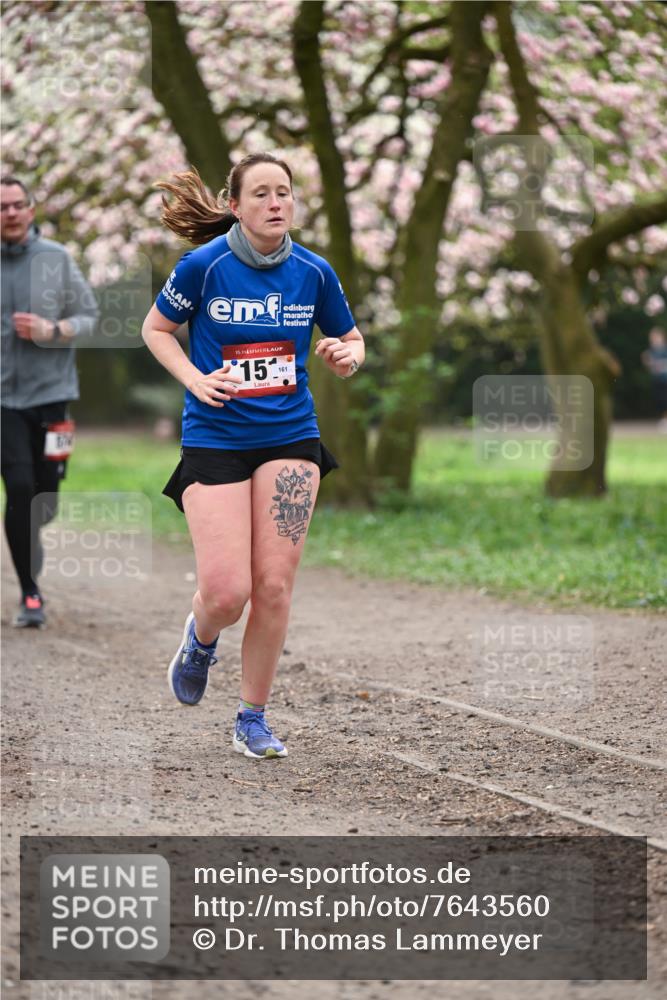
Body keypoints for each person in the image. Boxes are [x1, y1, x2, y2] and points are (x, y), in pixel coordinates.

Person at [142, 154, 365, 760]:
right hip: (216, 437)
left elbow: (350, 339)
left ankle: (252, 718)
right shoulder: (203, 266)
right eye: (261, 193)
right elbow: (156, 330)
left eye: (283, 192)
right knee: (226, 593)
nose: (275, 203)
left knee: (273, 585)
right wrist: (194, 379)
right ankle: (200, 638)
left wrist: (347, 356)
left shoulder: (314, 271)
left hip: (290, 436)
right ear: (235, 205)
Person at [1, 176, 99, 628]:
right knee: (20, 488)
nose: (11, 213)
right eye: (3, 207)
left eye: (17, 205)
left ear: (31, 209)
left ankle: (25, 535)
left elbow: (89, 317)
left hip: (53, 397)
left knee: (44, 500)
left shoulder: (56, 259)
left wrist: (52, 330)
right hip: (4, 402)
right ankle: (30, 592)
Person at [641, 328, 667, 433]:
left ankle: (665, 420)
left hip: (665, 379)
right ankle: (664, 419)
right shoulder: (651, 351)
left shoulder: (664, 350)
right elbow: (650, 366)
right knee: (660, 400)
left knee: (665, 400)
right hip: (657, 380)